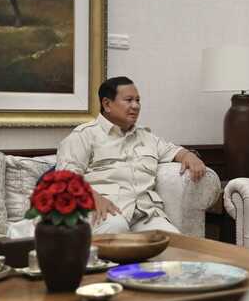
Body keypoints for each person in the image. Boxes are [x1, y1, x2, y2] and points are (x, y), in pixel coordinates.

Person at [56, 76, 206, 234]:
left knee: (172, 239)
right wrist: (94, 198)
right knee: (117, 227)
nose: (136, 106)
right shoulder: (84, 135)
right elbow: (65, 177)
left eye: (138, 100)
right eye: (129, 100)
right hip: (104, 210)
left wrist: (189, 156)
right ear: (107, 104)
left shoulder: (146, 136)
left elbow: (173, 151)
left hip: (145, 214)